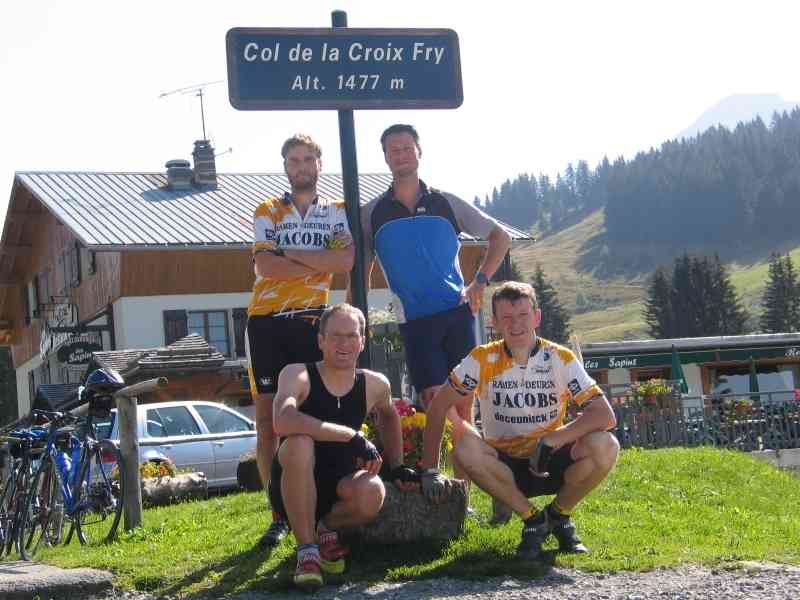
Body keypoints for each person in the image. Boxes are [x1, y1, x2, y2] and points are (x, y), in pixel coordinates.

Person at [418, 281, 620, 561]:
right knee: (464, 449)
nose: (516, 325)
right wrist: (430, 469)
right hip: (504, 465)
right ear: (494, 322)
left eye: (523, 315)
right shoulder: (481, 358)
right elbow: (438, 406)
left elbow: (604, 415)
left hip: (548, 460)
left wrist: (553, 439)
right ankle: (532, 520)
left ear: (537, 317)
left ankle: (559, 515)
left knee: (606, 445)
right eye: (507, 318)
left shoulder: (560, 357)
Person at [246, 134, 355, 549]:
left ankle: (313, 507)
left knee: (310, 416)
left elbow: (344, 261)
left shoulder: (336, 212)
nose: (302, 166)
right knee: (268, 422)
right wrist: (314, 261)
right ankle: (277, 515)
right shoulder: (268, 210)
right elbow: (265, 265)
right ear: (285, 167)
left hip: (313, 321)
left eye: (308, 158)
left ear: (319, 164)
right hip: (266, 321)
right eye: (294, 160)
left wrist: (290, 253)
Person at [358, 123, 512, 416]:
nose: (401, 155)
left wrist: (479, 282)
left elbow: (501, 237)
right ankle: (448, 459)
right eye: (394, 150)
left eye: (407, 148)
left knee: (465, 404)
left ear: (419, 152)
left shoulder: (445, 202)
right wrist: (356, 319)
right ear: (386, 157)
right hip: (415, 320)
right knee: (435, 403)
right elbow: (362, 272)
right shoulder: (371, 214)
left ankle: (464, 462)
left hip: (456, 312)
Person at [272, 303, 418, 591]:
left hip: (340, 483)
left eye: (352, 336)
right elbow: (282, 420)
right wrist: (351, 435)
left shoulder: (375, 384)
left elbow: (389, 416)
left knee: (373, 490)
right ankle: (307, 552)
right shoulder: (297, 374)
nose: (344, 343)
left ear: (362, 341)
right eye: (336, 335)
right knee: (300, 442)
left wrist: (397, 464)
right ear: (321, 340)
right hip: (294, 479)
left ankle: (326, 527)